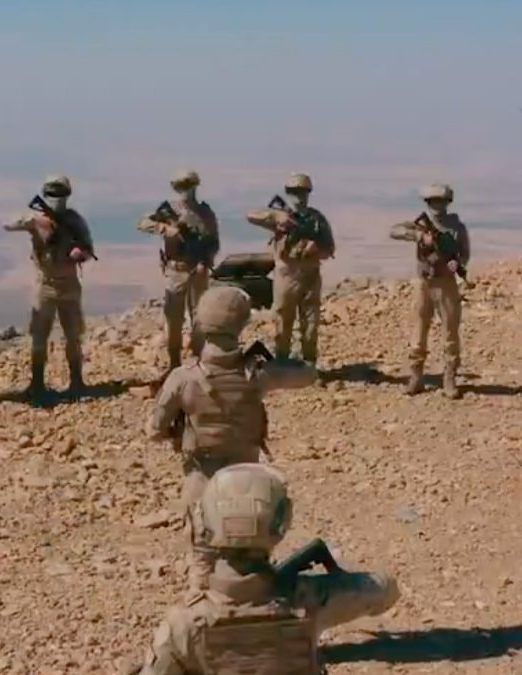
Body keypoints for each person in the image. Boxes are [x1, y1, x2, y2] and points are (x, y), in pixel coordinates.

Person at [135, 463, 400, 674]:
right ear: (280, 524)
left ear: (206, 523)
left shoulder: (183, 623)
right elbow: (386, 588)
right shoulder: (309, 599)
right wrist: (337, 579)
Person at [147, 286, 315, 591]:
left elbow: (154, 431)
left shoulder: (183, 378)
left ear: (201, 323)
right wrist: (277, 360)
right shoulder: (258, 374)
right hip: (247, 479)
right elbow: (308, 374)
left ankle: (200, 600)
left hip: (202, 474)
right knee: (250, 552)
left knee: (202, 555)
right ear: (241, 324)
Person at [3, 175, 95, 401]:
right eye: (52, 195)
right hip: (44, 285)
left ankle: (76, 382)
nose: (57, 199)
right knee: (39, 336)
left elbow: (89, 249)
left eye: (61, 195)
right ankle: (37, 385)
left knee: (73, 335)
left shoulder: (74, 221)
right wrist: (34, 220)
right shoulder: (36, 218)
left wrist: (80, 253)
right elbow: (8, 224)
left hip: (69, 285)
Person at [389, 184, 471, 397]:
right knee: (418, 331)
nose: (437, 206)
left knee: (450, 332)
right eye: (433, 201)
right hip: (424, 282)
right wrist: (418, 237)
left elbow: (464, 253)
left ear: (447, 203)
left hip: (446, 283)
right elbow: (394, 231)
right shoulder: (421, 225)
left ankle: (449, 378)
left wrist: (457, 263)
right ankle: (415, 377)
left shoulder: (456, 228)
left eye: (440, 201)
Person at [245, 173, 336, 365]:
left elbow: (329, 249)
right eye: (294, 192)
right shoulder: (281, 216)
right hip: (286, 273)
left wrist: (316, 248)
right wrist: (277, 216)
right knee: (283, 320)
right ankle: (281, 362)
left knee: (310, 323)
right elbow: (251, 215)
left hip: (310, 274)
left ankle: (309, 363)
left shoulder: (316, 219)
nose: (298, 196)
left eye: (302, 192)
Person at [137, 170, 220, 373]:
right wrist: (165, 229)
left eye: (189, 186)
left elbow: (213, 242)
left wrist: (206, 261)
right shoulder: (170, 211)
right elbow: (142, 223)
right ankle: (174, 363)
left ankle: (199, 361)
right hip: (176, 270)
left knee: (199, 318)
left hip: (198, 272)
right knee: (173, 319)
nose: (185, 191)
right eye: (181, 187)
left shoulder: (205, 213)